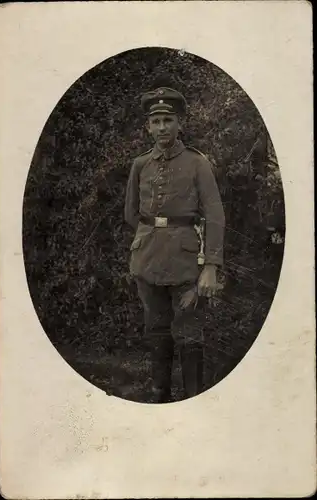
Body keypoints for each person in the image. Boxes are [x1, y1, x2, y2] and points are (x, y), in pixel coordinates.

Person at [124, 87, 225, 403]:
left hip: (185, 263)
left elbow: (215, 213)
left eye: (168, 120)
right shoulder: (141, 164)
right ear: (147, 127)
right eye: (156, 121)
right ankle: (160, 397)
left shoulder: (197, 163)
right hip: (147, 260)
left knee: (189, 333)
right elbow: (131, 213)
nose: (162, 127)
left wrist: (210, 266)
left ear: (180, 123)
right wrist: (150, 237)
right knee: (156, 330)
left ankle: (195, 400)